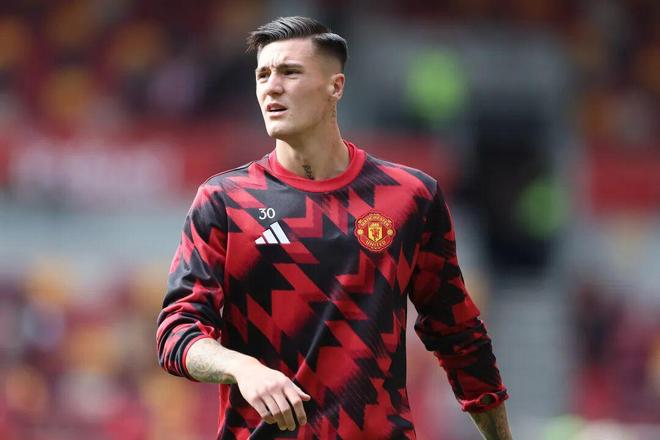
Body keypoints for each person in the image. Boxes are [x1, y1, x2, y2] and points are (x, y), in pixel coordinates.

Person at [157, 16, 512, 440]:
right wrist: (241, 367)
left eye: (290, 72)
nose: (272, 87)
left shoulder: (409, 197)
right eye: (263, 75)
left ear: (335, 87)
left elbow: (458, 334)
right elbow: (177, 333)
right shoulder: (225, 201)